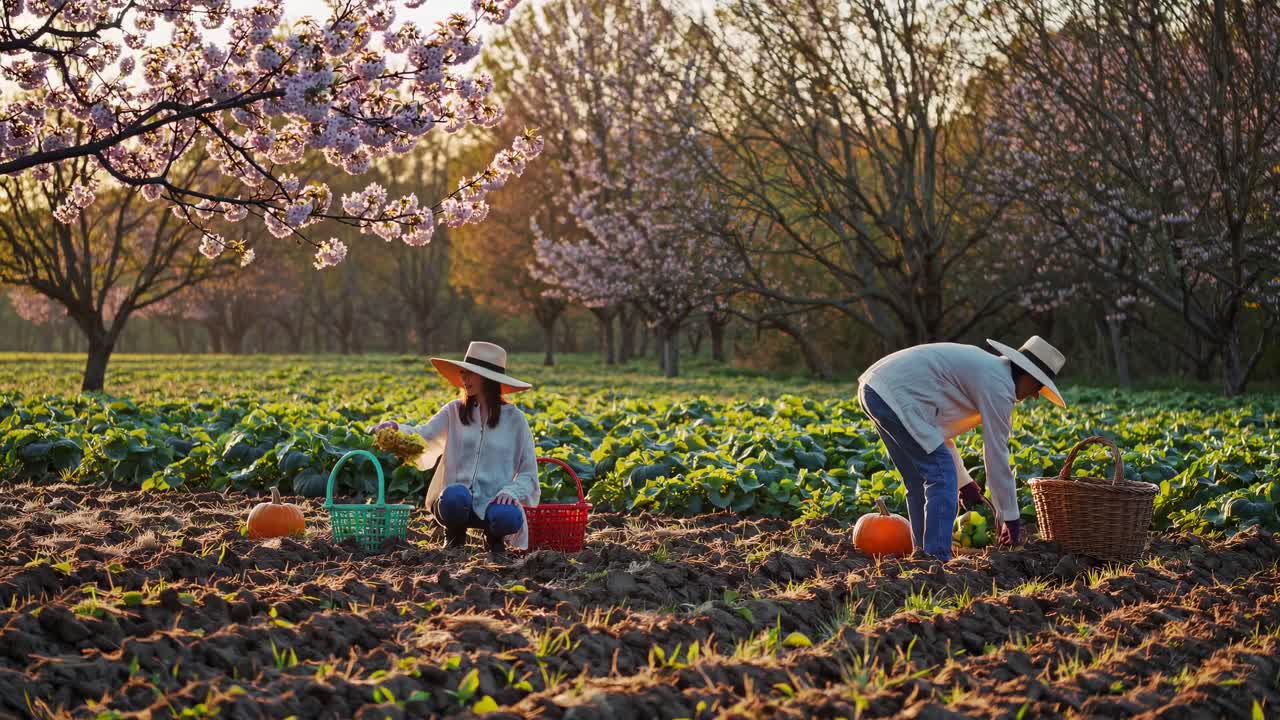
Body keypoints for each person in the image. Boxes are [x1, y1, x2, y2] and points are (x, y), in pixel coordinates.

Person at [856, 336, 1067, 561]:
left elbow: (933, 433)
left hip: (876, 389)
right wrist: (1010, 517)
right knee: (942, 475)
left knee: (918, 479)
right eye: (1038, 387)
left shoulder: (987, 370)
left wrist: (965, 483)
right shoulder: (999, 385)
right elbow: (997, 453)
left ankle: (921, 555)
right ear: (1028, 375)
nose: (1035, 396)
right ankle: (937, 559)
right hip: (895, 395)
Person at [374, 341, 539, 553]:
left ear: (488, 379)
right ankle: (454, 536)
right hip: (456, 500)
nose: (464, 379)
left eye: (471, 374)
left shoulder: (515, 420)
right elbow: (425, 435)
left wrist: (511, 491)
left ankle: (494, 540)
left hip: (493, 503)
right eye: (463, 373)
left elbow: (529, 474)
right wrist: (397, 429)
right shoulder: (454, 411)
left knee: (507, 516)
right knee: (454, 496)